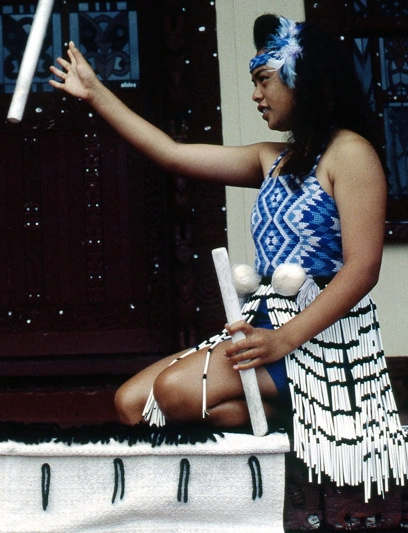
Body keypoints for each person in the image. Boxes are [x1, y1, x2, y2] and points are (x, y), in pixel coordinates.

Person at [51, 14, 405, 499]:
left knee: (174, 394)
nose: (256, 96)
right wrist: (96, 93)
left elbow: (362, 270)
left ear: (303, 79)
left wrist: (282, 340)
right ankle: (280, 431)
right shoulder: (272, 158)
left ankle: (308, 410)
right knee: (132, 402)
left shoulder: (352, 153)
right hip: (266, 323)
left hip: (319, 341)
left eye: (264, 81)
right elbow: (173, 154)